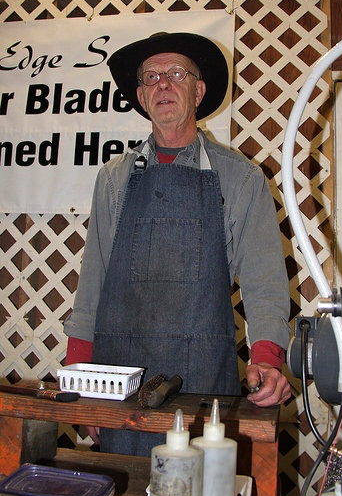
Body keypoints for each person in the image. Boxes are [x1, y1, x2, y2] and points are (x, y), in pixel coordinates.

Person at [64, 31, 291, 455]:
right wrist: (80, 375)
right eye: (151, 77)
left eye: (176, 74)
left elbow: (265, 284)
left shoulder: (241, 179)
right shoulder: (113, 179)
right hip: (119, 384)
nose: (162, 84)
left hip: (203, 384)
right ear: (141, 95)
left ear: (199, 90)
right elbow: (91, 283)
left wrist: (267, 359)